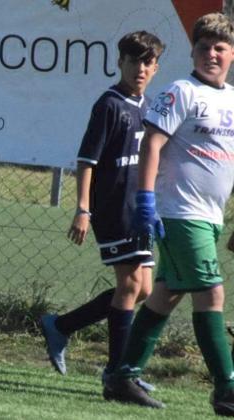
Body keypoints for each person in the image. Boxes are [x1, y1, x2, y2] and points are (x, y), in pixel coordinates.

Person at [102, 13, 234, 416]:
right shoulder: (182, 91)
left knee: (166, 294)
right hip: (180, 213)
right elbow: (152, 143)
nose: (211, 54)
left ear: (231, 54)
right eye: (204, 46)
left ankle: (123, 374)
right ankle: (227, 389)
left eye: (220, 48)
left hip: (210, 216)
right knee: (211, 293)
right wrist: (145, 199)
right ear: (192, 51)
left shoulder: (231, 98)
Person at [39, 31, 164, 389]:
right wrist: (83, 209)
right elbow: (86, 159)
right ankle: (119, 372)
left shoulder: (146, 106)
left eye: (147, 62)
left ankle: (60, 326)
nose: (139, 68)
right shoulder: (109, 104)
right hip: (111, 208)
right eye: (133, 60)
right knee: (128, 284)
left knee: (142, 289)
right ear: (119, 61)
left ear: (155, 67)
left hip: (137, 207)